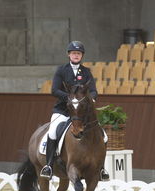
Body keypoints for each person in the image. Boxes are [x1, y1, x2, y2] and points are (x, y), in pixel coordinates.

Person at [40, 40, 109, 181]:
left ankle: (101, 168)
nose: (76, 55)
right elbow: (54, 90)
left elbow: (93, 91)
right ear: (69, 55)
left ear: (81, 55)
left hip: (82, 113)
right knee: (53, 131)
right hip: (63, 110)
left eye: (78, 53)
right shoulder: (61, 70)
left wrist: (90, 99)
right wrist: (71, 98)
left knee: (104, 135)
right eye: (73, 53)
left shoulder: (86, 72)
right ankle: (48, 166)